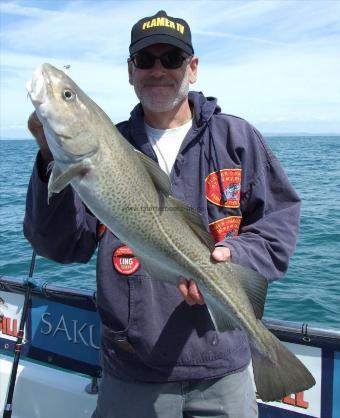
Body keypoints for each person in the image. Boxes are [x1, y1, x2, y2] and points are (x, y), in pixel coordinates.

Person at [24, 10, 301, 418]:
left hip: (223, 370)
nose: (158, 70)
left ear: (192, 68)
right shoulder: (110, 144)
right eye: (146, 60)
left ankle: (270, 352)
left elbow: (278, 224)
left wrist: (235, 259)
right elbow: (63, 246)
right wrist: (50, 156)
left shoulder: (236, 139)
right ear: (130, 71)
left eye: (171, 59)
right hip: (133, 371)